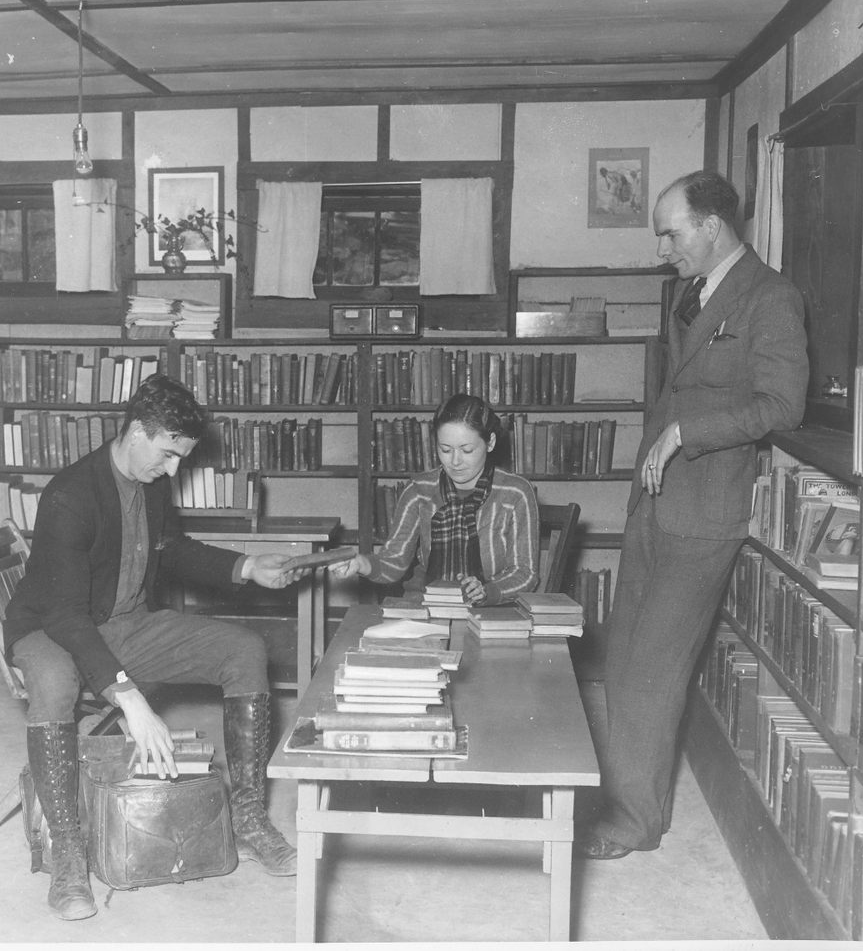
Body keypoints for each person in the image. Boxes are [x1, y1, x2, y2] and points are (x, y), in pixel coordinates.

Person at [3, 373, 304, 920]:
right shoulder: (69, 496)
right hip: (50, 627)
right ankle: (69, 851)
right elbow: (67, 613)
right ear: (136, 430)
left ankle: (251, 818)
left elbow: (172, 549)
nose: (172, 471)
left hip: (125, 623)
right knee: (53, 681)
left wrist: (245, 566)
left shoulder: (154, 480)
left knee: (243, 650)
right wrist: (129, 697)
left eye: (180, 460)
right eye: (167, 455)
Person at [577, 170, 808, 860]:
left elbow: (781, 406)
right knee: (622, 662)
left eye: (670, 234)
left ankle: (636, 822)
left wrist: (688, 433)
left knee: (652, 671)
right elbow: (677, 390)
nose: (662, 250)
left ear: (712, 227)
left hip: (706, 513)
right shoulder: (689, 293)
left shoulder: (772, 297)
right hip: (654, 503)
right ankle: (624, 796)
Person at [330, 393, 539, 606]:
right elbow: (393, 561)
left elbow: (525, 573)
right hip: (426, 604)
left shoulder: (515, 492)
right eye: (445, 450)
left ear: (490, 442)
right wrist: (361, 563)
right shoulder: (419, 491)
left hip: (494, 609)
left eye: (467, 450)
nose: (455, 461)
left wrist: (488, 591)